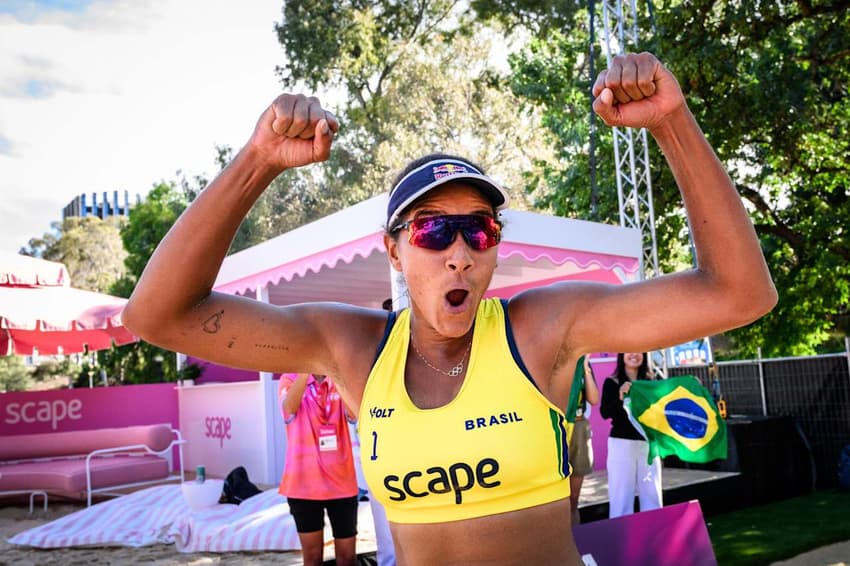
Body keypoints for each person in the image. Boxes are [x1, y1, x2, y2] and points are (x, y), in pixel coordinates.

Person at [123, 52, 777, 565]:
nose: (459, 254)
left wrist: (671, 121)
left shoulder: (542, 327)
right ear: (394, 251)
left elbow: (739, 294)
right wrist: (258, 160)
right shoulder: (353, 348)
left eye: (480, 230)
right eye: (433, 231)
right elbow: (159, 316)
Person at [278, 373, 358, 566]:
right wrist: (306, 371)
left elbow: (354, 414)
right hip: (303, 484)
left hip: (342, 482)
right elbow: (289, 409)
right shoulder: (289, 378)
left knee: (347, 558)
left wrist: (337, 374)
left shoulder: (339, 378)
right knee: (312, 557)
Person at [600, 352, 662, 518]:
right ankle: (620, 537)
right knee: (621, 495)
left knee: (652, 493)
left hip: (648, 444)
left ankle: (655, 534)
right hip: (621, 443)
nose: (634, 355)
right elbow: (605, 413)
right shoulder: (612, 382)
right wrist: (621, 397)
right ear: (621, 356)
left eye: (639, 351)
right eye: (629, 351)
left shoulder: (652, 382)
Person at [566, 355, 600, 525]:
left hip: (579, 427)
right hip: (556, 428)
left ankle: (577, 543)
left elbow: (594, 399)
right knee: (555, 502)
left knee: (573, 499)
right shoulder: (550, 359)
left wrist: (585, 366)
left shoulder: (582, 364)